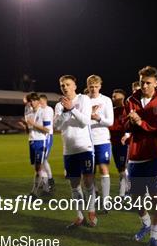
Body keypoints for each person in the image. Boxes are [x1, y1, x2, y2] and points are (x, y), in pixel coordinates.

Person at [123, 66, 157, 246]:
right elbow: (126, 125)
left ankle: (154, 237)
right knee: (135, 198)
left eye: (148, 83)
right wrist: (130, 121)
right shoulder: (131, 100)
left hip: (154, 155)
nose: (144, 86)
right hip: (135, 154)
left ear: (156, 83)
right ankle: (145, 223)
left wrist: (141, 123)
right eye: (142, 82)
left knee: (155, 198)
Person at [53, 75, 96, 228]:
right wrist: (65, 110)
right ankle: (79, 216)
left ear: (74, 86)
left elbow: (85, 121)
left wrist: (72, 109)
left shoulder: (83, 99)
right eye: (62, 85)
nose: (64, 87)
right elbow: (57, 126)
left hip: (84, 147)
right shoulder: (59, 105)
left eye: (68, 84)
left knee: (88, 181)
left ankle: (91, 211)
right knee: (74, 185)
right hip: (69, 150)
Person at [86, 75, 114, 213]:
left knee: (103, 170)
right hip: (86, 142)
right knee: (89, 173)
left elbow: (110, 122)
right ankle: (93, 197)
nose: (94, 89)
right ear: (88, 86)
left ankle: (106, 201)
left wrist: (97, 118)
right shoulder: (83, 100)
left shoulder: (106, 100)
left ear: (100, 86)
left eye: (96, 86)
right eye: (91, 86)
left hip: (102, 140)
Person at [24, 92, 51, 198]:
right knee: (36, 167)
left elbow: (47, 129)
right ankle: (46, 188)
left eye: (34, 100)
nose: (32, 102)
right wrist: (26, 126)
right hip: (31, 140)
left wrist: (33, 124)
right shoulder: (29, 113)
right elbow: (29, 129)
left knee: (39, 167)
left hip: (41, 141)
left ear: (38, 101)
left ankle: (34, 193)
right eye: (31, 101)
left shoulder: (43, 112)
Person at [109, 89, 129, 197]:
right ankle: (124, 192)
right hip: (114, 143)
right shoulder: (112, 110)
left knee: (123, 169)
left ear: (122, 98)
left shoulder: (127, 110)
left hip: (124, 144)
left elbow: (127, 126)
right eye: (112, 97)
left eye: (115, 97)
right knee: (120, 169)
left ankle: (125, 192)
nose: (113, 99)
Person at [39, 94, 55, 190]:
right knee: (41, 160)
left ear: (44, 101)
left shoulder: (48, 110)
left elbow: (47, 125)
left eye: (40, 101)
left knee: (43, 159)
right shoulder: (41, 110)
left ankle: (49, 180)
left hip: (47, 136)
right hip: (41, 137)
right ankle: (45, 180)